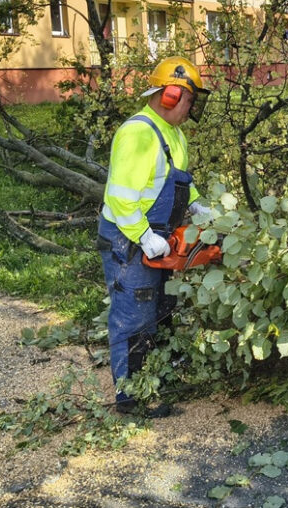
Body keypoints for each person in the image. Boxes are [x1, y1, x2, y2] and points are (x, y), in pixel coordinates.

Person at [97, 57, 211, 416]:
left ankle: (155, 379)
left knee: (162, 310)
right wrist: (144, 236)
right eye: (189, 101)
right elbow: (121, 196)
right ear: (170, 95)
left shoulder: (173, 134)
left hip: (158, 236)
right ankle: (130, 396)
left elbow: (176, 182)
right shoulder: (138, 133)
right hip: (128, 238)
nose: (190, 109)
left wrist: (198, 208)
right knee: (134, 315)